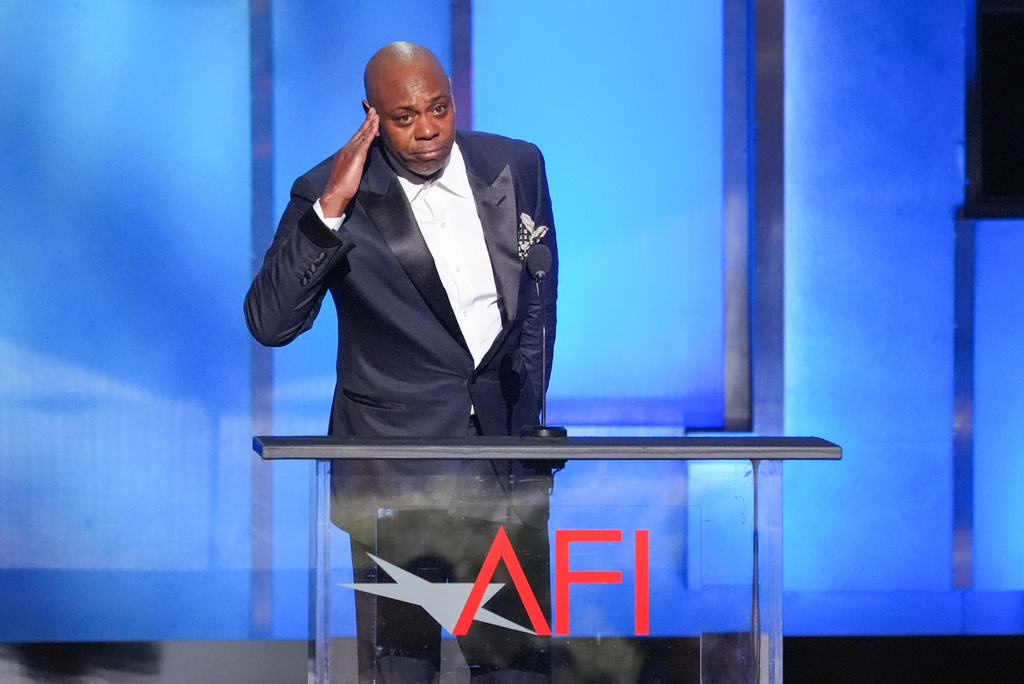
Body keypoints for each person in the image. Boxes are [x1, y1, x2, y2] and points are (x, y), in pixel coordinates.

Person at [244, 42, 558, 683]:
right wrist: (329, 213)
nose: (426, 130)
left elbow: (538, 302)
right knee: (404, 674)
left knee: (519, 673)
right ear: (372, 116)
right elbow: (270, 322)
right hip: (393, 481)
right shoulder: (332, 191)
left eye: (438, 109)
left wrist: (525, 425)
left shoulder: (516, 165)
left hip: (500, 472)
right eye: (405, 117)